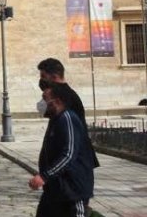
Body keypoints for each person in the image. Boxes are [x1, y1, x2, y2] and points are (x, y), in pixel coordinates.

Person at [29, 82, 95, 217]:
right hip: (55, 191)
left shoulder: (68, 118)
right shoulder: (56, 119)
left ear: (57, 101)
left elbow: (69, 154)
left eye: (45, 99)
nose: (42, 103)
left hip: (72, 192)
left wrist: (44, 176)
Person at [36, 57, 99, 168]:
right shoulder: (62, 93)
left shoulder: (64, 96)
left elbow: (70, 149)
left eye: (43, 77)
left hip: (74, 166)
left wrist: (46, 175)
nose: (41, 81)